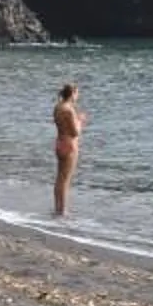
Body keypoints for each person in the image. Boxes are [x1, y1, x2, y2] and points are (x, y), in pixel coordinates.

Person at [52, 82, 88, 216]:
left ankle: (57, 207)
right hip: (69, 144)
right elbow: (75, 132)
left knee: (59, 178)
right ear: (72, 94)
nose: (77, 96)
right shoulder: (69, 110)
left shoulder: (58, 107)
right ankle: (63, 210)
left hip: (59, 142)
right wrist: (80, 120)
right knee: (65, 180)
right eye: (77, 93)